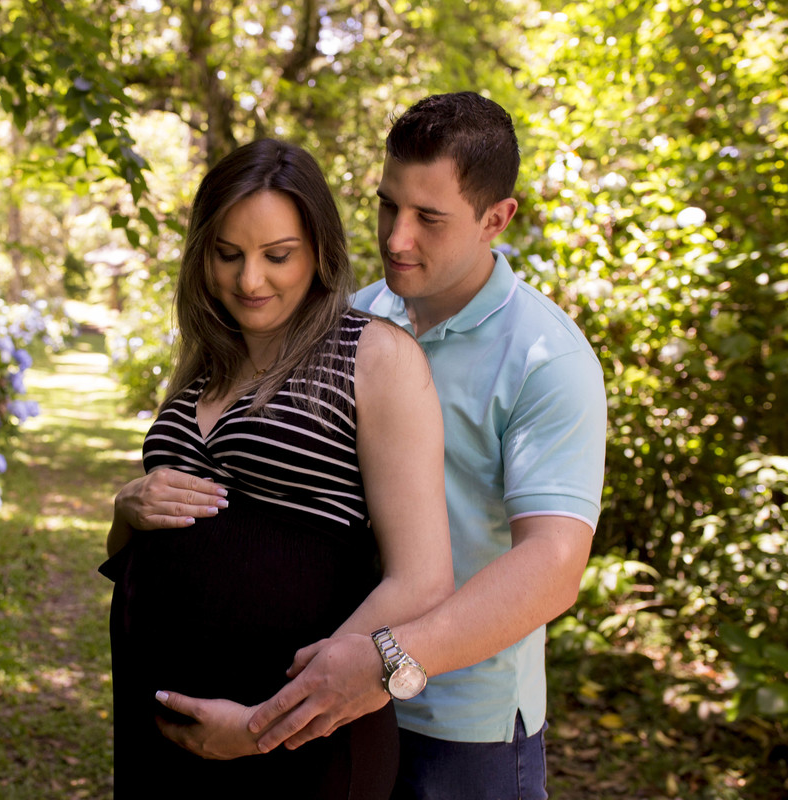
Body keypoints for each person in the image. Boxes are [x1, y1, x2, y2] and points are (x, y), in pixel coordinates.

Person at [126, 93, 607, 799]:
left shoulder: (546, 358)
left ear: (496, 220)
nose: (396, 238)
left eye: (428, 218)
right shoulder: (352, 323)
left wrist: (380, 665)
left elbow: (554, 566)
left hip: (456, 727)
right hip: (323, 703)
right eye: (387, 207)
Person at [101, 138, 453, 798]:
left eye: (277, 256)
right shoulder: (205, 363)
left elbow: (422, 579)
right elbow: (131, 551)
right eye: (227, 254)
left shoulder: (375, 357)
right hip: (162, 733)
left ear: (320, 251)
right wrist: (127, 509)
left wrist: (267, 723)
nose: (249, 280)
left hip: (298, 744)